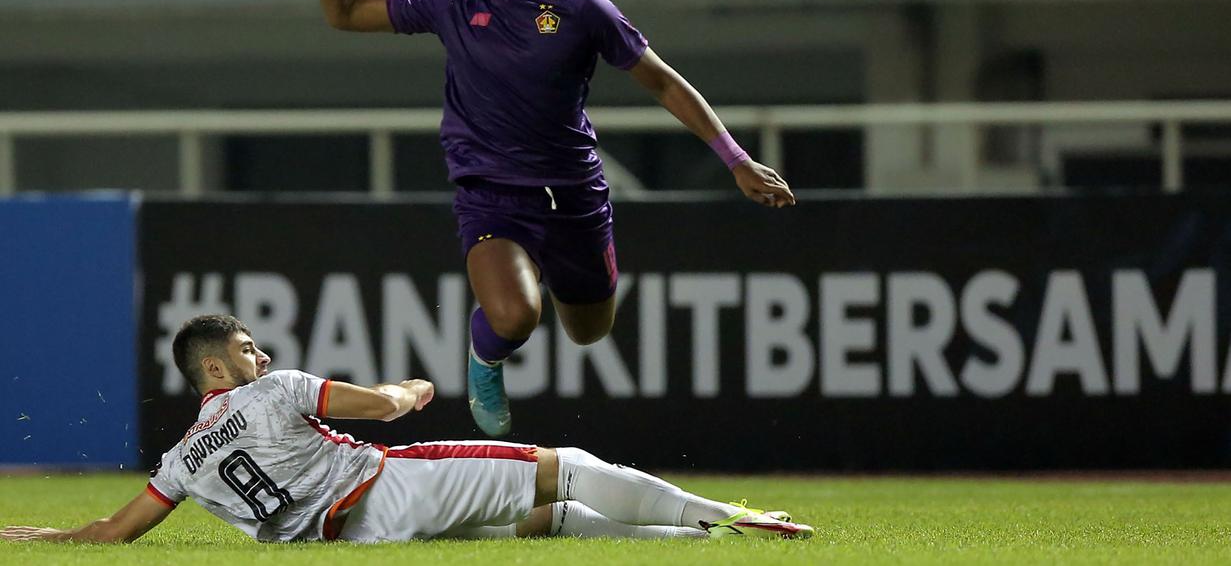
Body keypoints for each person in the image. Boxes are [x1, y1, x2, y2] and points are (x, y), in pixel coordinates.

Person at [310, 0, 797, 437]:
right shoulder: (451, 7)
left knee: (589, 330)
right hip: (491, 195)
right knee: (515, 314)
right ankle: (485, 357)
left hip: (575, 196)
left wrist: (735, 159)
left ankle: (525, 310)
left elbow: (663, 81)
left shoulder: (582, 9)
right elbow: (344, 12)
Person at [0, 315, 813, 543]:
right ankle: (732, 517)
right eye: (247, 348)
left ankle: (695, 540)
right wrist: (417, 384)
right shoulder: (277, 390)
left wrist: (36, 537)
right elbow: (384, 409)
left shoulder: (181, 458)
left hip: (350, 536)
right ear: (215, 369)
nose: (263, 353)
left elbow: (113, 532)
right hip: (389, 482)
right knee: (565, 464)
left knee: (540, 519)